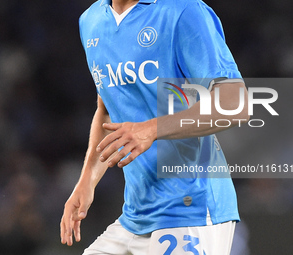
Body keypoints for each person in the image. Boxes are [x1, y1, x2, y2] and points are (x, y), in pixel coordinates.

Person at [60, 0, 249, 254]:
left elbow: (235, 102)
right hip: (136, 215)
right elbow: (106, 109)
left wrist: (151, 129)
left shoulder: (184, 11)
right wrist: (86, 182)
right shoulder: (91, 21)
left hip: (191, 208)